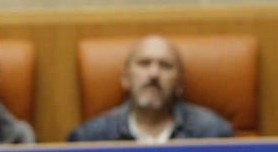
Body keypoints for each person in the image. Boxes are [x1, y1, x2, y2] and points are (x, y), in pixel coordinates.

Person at [67, 34, 233, 142]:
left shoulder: (212, 133)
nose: (154, 74)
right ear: (125, 79)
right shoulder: (91, 138)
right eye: (144, 64)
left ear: (180, 84)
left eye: (165, 66)